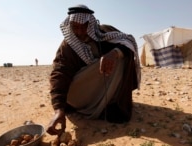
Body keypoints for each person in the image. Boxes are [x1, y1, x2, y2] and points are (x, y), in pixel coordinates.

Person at [46, 4, 141, 136]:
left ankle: (110, 103)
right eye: (75, 27)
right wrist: (58, 109)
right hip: (82, 92)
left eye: (84, 26)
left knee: (122, 55)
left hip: (104, 86)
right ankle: (93, 106)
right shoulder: (67, 46)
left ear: (90, 24)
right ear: (70, 26)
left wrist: (114, 53)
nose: (79, 32)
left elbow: (129, 42)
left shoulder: (105, 32)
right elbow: (59, 73)